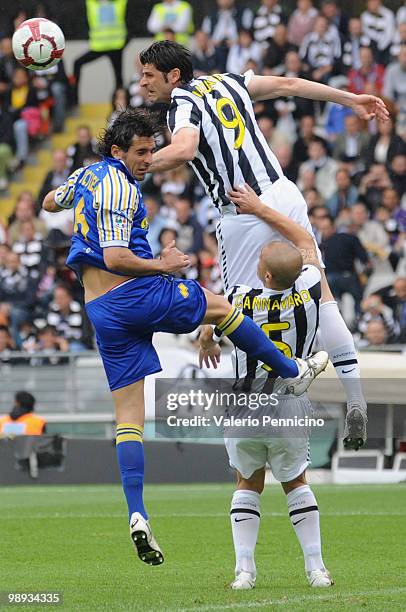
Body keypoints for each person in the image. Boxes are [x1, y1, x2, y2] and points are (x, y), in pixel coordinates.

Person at [42, 108, 328, 568]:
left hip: (101, 312)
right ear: (117, 150)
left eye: (151, 150)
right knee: (220, 307)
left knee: (128, 416)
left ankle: (137, 514)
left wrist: (67, 195)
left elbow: (49, 204)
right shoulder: (117, 184)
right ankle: (292, 372)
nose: (148, 159)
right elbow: (116, 256)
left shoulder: (88, 177)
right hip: (133, 293)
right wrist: (164, 264)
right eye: (139, 152)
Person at [139, 40, 389, 449]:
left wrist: (134, 165)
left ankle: (254, 407)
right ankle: (355, 398)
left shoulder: (181, 102)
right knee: (320, 292)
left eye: (148, 76)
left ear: (173, 76)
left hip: (242, 210)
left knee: (234, 304)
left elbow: (184, 148)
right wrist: (350, 99)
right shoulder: (230, 81)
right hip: (285, 193)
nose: (142, 83)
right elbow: (290, 83)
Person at [199, 187, 333, 589]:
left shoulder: (240, 296)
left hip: (245, 405)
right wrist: (264, 210)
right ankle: (316, 569)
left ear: (266, 275)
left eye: (260, 260)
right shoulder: (309, 290)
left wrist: (206, 337)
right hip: (289, 404)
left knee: (247, 482)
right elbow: (306, 242)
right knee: (296, 482)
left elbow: (211, 315)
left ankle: (245, 571)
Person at [73, 0, 128, 103]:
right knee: (77, 63)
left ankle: (119, 106)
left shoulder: (118, 3)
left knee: (119, 79)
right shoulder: (92, 3)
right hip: (98, 46)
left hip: (115, 46)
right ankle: (73, 98)